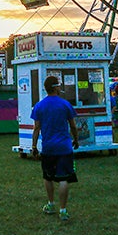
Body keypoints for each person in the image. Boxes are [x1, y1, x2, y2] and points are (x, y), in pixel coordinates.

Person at [31, 75, 79, 222]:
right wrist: (76, 139)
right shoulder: (65, 104)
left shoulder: (39, 106)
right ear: (56, 87)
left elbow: (36, 128)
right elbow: (72, 125)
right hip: (64, 146)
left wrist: (33, 146)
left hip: (48, 148)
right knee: (64, 178)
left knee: (48, 177)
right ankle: (63, 210)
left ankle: (51, 204)